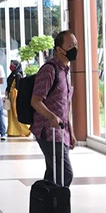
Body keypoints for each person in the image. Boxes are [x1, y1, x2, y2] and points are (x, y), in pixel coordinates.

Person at [31, 31, 78, 187]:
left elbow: (64, 105)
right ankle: (56, 207)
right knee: (65, 174)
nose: (74, 48)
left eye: (76, 45)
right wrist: (51, 117)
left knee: (53, 174)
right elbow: (36, 101)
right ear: (58, 49)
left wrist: (70, 131)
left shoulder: (66, 72)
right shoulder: (49, 70)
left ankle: (46, 208)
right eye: (70, 46)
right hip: (48, 131)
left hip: (61, 131)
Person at [6, 60, 31, 137]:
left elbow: (18, 87)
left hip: (15, 97)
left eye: (13, 65)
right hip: (11, 97)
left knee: (16, 114)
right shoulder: (13, 74)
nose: (11, 66)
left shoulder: (18, 75)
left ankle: (26, 130)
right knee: (12, 115)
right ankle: (13, 131)